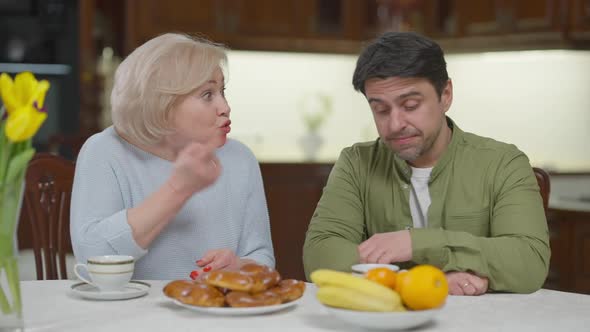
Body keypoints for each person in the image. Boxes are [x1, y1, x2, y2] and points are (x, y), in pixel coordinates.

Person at [302, 32, 550, 295]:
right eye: (381, 110)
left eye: (410, 105)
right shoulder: (356, 163)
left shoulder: (503, 164)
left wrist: (416, 244)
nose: (395, 124)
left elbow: (529, 263)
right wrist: (418, 281)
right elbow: (320, 257)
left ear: (445, 95)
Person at [71, 33, 274, 280]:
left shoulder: (240, 158)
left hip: (218, 313)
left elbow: (262, 261)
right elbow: (92, 262)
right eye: (207, 94)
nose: (225, 107)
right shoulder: (105, 151)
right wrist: (178, 188)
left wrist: (240, 266)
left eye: (222, 91)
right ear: (161, 103)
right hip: (131, 315)